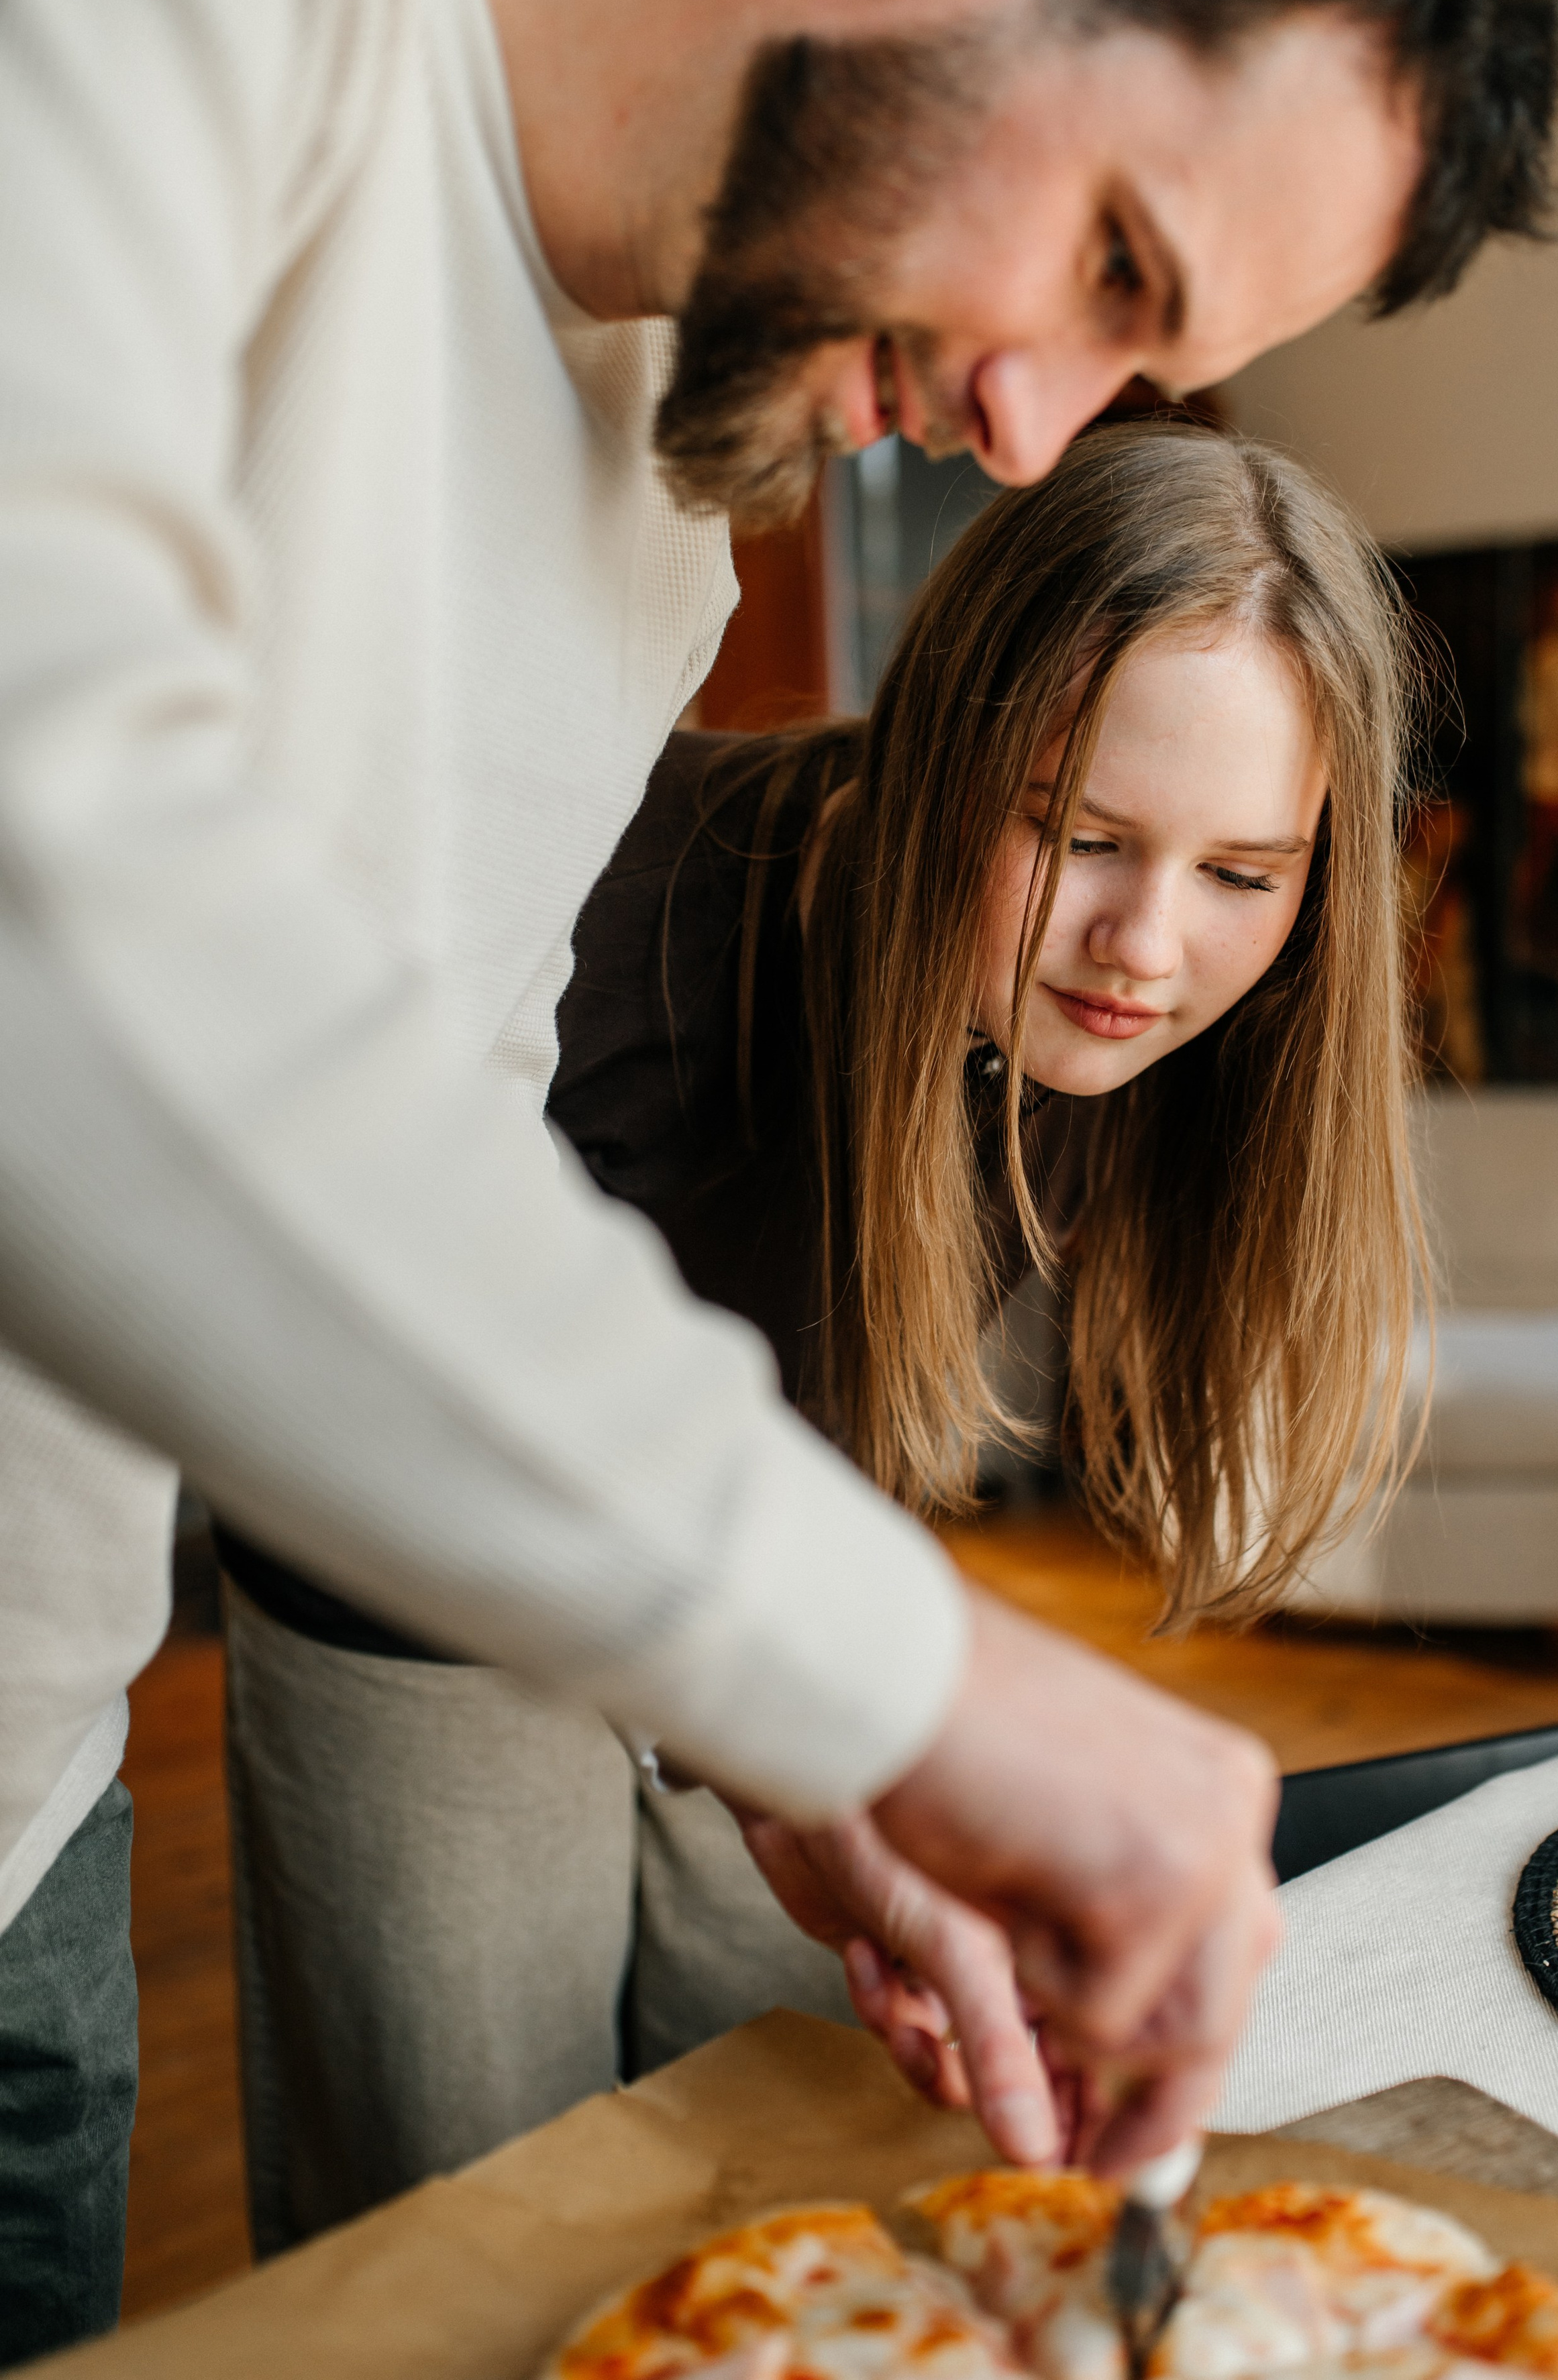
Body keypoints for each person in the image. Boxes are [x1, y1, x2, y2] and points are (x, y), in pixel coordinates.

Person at [0, 0, 1558, 2352]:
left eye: (1144, 358)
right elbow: (50, 888)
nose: (1045, 431)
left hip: (29, 1783)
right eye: (1108, 259)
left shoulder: (663, 503)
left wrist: (789, 1750)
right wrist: (905, 1672)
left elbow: (422, 1132)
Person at [219, 417, 1424, 2245]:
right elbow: (344, 1333)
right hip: (420, 1563)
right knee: (466, 2220)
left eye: (1241, 874)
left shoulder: (1158, 1033)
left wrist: (792, 1748)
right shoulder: (624, 920)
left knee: (776, 2135)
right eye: (1076, 834)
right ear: (947, 751)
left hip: (752, 1558)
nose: (1144, 947)